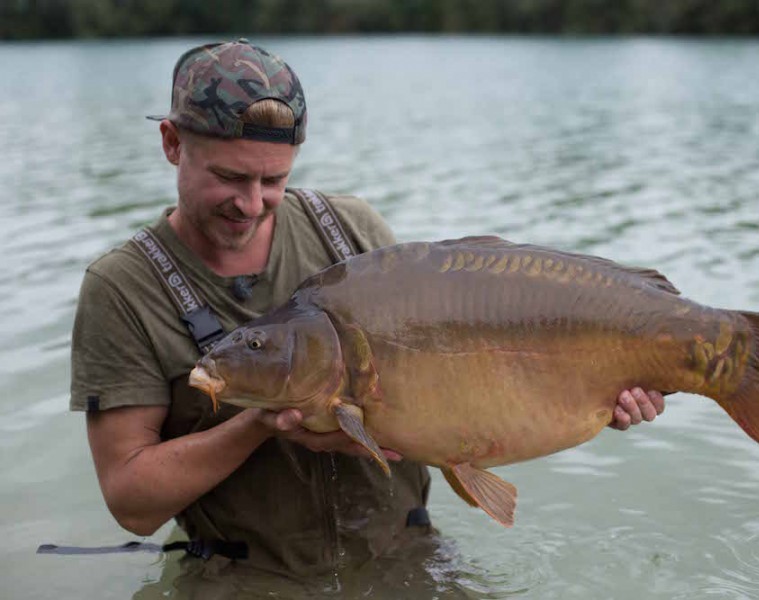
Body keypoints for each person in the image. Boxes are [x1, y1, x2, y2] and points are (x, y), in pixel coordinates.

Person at [70, 39, 665, 581]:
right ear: (173, 143)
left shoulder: (348, 230)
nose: (252, 203)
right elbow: (131, 501)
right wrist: (262, 423)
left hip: (408, 564)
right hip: (249, 585)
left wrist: (591, 390)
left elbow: (467, 377)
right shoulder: (123, 289)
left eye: (273, 180)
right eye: (229, 177)